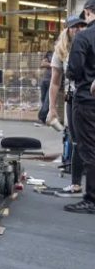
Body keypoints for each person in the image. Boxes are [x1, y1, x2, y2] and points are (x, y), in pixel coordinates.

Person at [47, 15, 87, 197]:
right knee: (76, 140)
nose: (79, 29)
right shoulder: (61, 51)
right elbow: (55, 82)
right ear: (68, 30)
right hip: (73, 99)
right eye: (75, 27)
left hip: (90, 97)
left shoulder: (89, 43)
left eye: (82, 26)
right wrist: (52, 107)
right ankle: (76, 184)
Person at [65, 0, 95, 213]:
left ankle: (91, 199)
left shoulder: (83, 37)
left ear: (88, 12)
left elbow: (74, 70)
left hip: (87, 100)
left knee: (89, 149)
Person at [38, 51, 53, 124]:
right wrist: (52, 64)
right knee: (43, 99)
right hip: (44, 80)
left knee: (47, 100)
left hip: (52, 81)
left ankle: (41, 117)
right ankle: (45, 117)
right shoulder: (49, 53)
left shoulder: (60, 53)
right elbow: (42, 64)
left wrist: (48, 64)